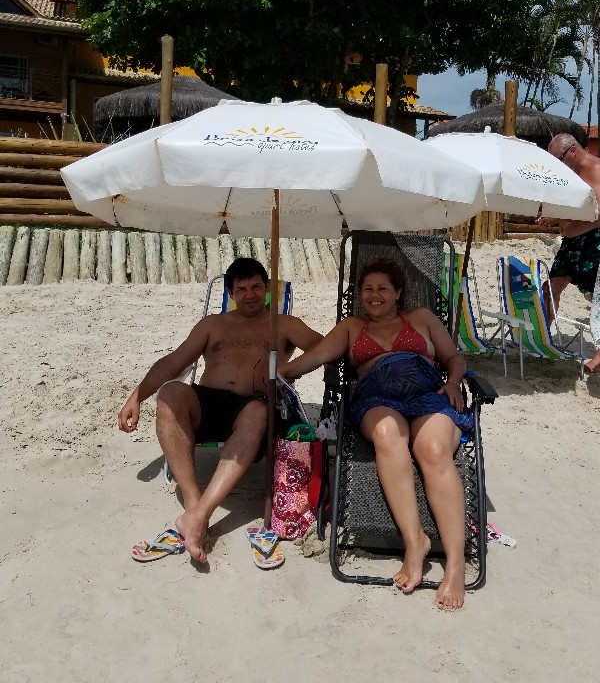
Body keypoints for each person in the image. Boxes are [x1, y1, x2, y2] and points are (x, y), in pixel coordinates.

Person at [278, 258, 471, 610]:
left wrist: (455, 381)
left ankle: (455, 564)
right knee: (387, 433)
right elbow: (316, 356)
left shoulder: (422, 318)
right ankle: (415, 543)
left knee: (434, 448)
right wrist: (277, 375)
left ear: (398, 292)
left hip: (428, 395)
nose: (374, 295)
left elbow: (454, 358)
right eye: (368, 289)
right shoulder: (352, 327)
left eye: (383, 288)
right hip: (377, 398)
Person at [118, 257, 323, 562]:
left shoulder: (284, 324)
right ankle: (194, 504)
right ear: (230, 293)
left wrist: (289, 370)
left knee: (257, 412)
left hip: (252, 406)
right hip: (207, 402)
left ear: (267, 288)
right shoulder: (212, 325)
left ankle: (198, 516)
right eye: (242, 289)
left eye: (256, 287)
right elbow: (174, 362)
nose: (250, 295)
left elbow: (323, 348)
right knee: (171, 392)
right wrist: (137, 395)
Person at [541, 134, 600, 372]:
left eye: (559, 159)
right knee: (550, 288)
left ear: (573, 151)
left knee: (595, 297)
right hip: (573, 242)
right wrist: (555, 218)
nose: (557, 165)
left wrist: (571, 227)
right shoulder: (570, 174)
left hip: (595, 241)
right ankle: (543, 338)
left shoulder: (596, 171)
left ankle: (598, 356)